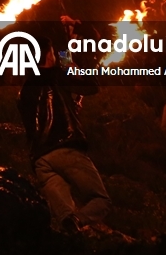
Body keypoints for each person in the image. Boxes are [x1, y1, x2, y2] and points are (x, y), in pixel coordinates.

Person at [17, 38, 110, 235]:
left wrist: (71, 106)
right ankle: (79, 222)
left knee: (65, 216)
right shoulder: (57, 75)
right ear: (48, 57)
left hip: (40, 159)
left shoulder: (24, 90)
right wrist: (68, 60)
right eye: (53, 53)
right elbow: (91, 85)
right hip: (65, 148)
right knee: (100, 201)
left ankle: (71, 234)